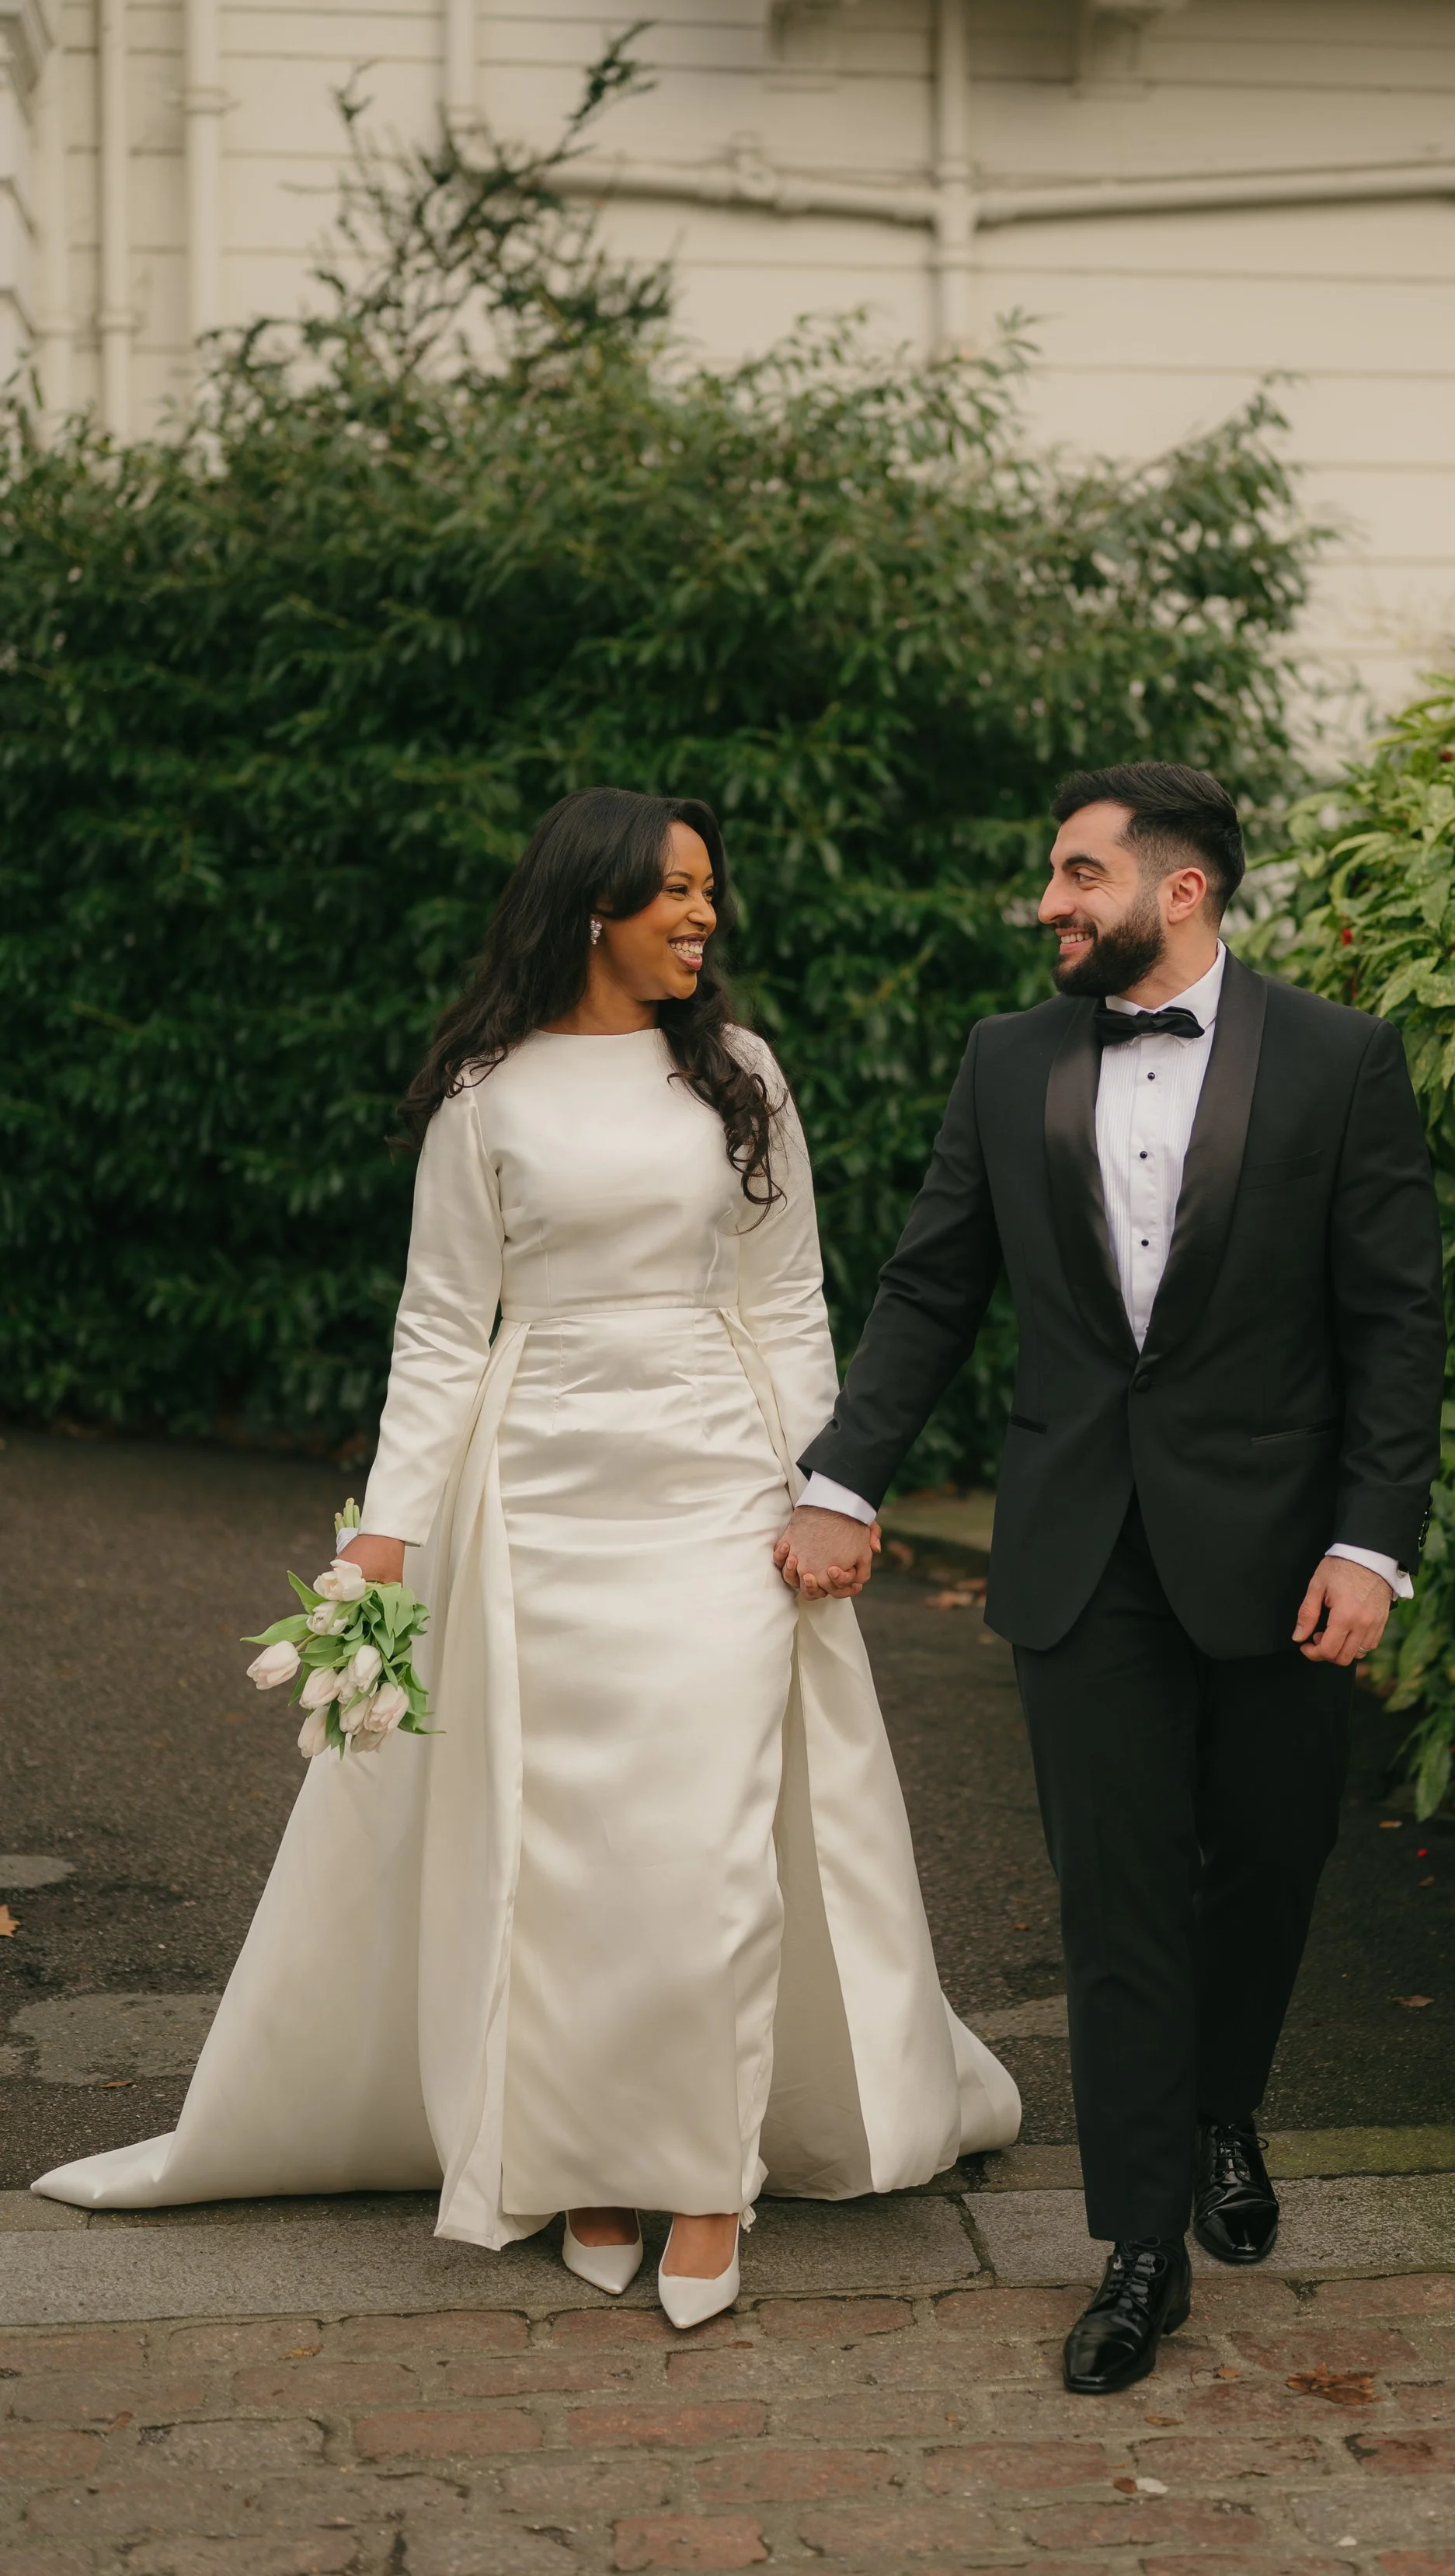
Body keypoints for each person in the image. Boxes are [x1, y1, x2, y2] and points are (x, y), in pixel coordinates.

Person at [37, 786, 1018, 2317]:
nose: (705, 915)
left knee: (702, 1850)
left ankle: (704, 2182)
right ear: (593, 907)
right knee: (564, 1860)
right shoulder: (485, 1094)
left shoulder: (744, 1074)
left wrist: (829, 1491)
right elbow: (441, 1327)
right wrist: (383, 1537)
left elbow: (788, 1299)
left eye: (710, 890)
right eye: (677, 890)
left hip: (719, 1485)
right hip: (542, 1498)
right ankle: (587, 2167)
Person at [775, 761, 1443, 2392]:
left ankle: (1220, 2108)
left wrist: (1370, 1542)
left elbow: (1392, 1320)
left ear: (1180, 889)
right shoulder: (1006, 1060)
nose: (1049, 903)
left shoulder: (1341, 1059)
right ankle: (1141, 2246)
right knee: (1117, 1896)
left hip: (1284, 1553)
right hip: (1078, 1548)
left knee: (1265, 1867)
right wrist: (842, 1477)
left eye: (1078, 874)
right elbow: (932, 1287)